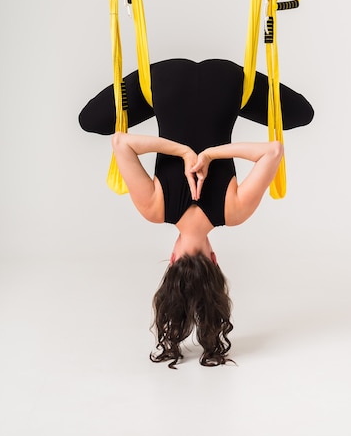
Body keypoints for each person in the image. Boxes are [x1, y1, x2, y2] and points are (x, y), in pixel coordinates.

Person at [79, 58, 314, 368]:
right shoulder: (154, 207)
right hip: (165, 80)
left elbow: (272, 151)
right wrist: (182, 151)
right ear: (173, 259)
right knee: (90, 120)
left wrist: (210, 153)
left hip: (227, 81)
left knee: (302, 114)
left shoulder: (234, 210)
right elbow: (121, 143)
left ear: (215, 261)